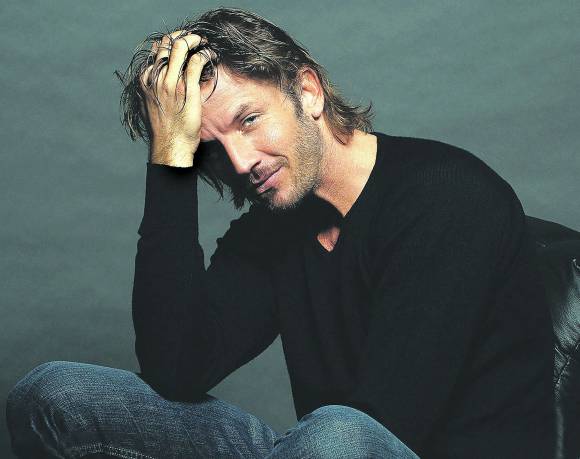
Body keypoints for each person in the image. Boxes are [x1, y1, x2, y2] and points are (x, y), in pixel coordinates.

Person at [6, 7, 555, 459]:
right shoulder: (272, 232)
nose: (241, 161)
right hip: (318, 450)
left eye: (249, 120)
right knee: (57, 395)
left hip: (376, 445)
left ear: (308, 92)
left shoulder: (448, 197)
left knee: (338, 433)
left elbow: (385, 426)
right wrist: (170, 157)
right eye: (210, 148)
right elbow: (175, 368)